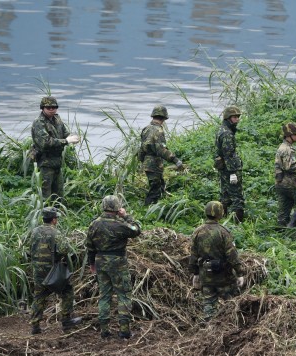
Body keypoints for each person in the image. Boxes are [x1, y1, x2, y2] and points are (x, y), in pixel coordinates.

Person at [86, 195, 141, 339]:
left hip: (100, 261)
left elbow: (89, 247)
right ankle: (124, 331)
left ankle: (104, 330)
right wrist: (126, 216)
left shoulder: (94, 224)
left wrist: (92, 263)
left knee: (104, 295)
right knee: (123, 294)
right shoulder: (120, 224)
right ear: (117, 208)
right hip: (118, 262)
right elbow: (136, 230)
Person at [188, 201, 245, 321]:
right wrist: (240, 273)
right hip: (224, 277)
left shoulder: (197, 232)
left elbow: (193, 255)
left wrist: (195, 274)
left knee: (208, 305)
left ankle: (209, 328)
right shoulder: (223, 232)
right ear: (221, 213)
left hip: (206, 275)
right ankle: (233, 325)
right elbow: (232, 255)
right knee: (232, 303)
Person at [29, 207, 81, 334]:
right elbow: (65, 249)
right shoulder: (55, 233)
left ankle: (35, 325)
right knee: (67, 291)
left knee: (39, 295)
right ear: (53, 220)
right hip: (52, 270)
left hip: (38, 270)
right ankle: (66, 320)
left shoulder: (34, 231)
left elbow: (29, 247)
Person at [30, 96, 80, 202]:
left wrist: (72, 137)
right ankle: (45, 217)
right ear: (43, 108)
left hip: (57, 162)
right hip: (45, 163)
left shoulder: (57, 119)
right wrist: (66, 141)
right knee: (46, 195)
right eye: (48, 107)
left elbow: (65, 133)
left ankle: (57, 215)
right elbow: (46, 143)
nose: (52, 109)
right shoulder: (39, 122)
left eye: (54, 107)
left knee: (59, 195)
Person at [138, 105, 184, 205]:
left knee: (159, 186)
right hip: (154, 164)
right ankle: (148, 211)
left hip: (147, 163)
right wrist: (175, 160)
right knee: (155, 191)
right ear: (163, 118)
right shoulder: (158, 130)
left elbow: (142, 148)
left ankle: (159, 207)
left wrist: (142, 161)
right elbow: (161, 150)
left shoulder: (146, 129)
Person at [214, 106, 245, 222]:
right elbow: (229, 154)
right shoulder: (227, 133)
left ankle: (222, 220)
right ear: (228, 118)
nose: (237, 119)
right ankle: (239, 224)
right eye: (235, 117)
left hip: (224, 168)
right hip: (229, 169)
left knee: (225, 196)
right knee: (237, 197)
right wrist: (233, 173)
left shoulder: (222, 129)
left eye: (238, 117)